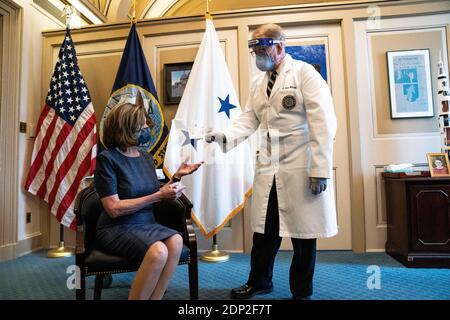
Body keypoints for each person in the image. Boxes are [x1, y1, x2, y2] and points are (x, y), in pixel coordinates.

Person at [205, 23, 337, 300]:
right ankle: (259, 282)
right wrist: (223, 135)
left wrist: (320, 170)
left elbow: (323, 125)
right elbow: (248, 119)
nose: (258, 55)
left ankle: (301, 291)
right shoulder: (258, 83)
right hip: (269, 166)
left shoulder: (305, 75)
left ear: (279, 47)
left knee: (303, 235)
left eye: (262, 48)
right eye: (254, 50)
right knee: (264, 232)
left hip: (301, 166)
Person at [95, 101, 202, 300]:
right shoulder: (107, 159)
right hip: (117, 226)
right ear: (125, 128)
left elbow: (152, 192)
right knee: (159, 251)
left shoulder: (145, 157)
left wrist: (176, 178)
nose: (146, 130)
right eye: (142, 127)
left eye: (146, 126)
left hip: (146, 223)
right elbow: (113, 208)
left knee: (177, 240)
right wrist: (160, 195)